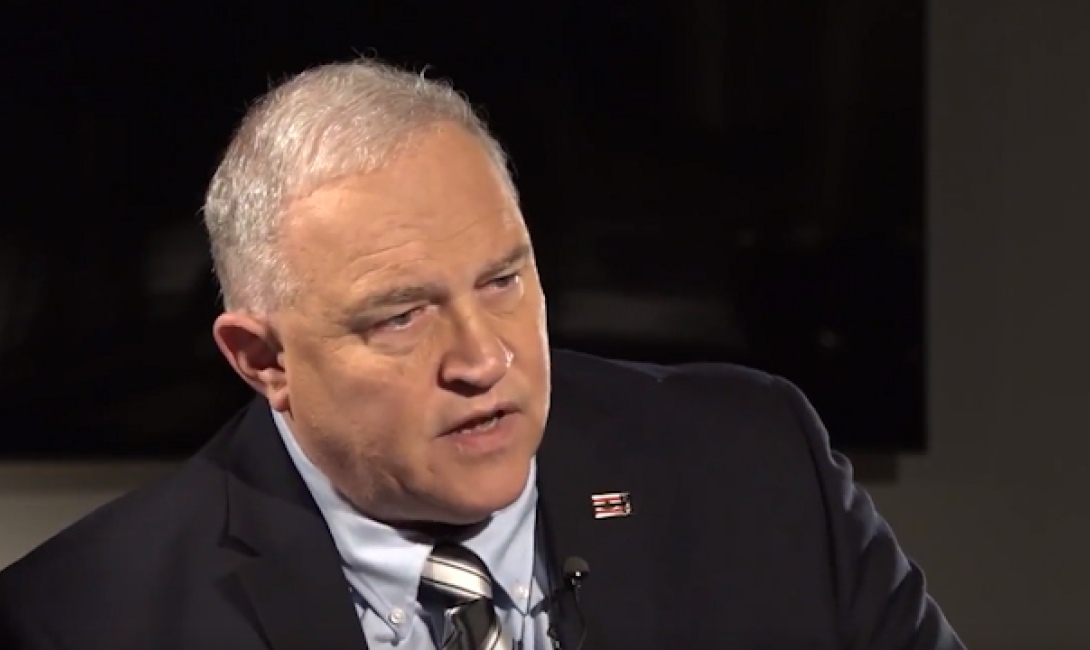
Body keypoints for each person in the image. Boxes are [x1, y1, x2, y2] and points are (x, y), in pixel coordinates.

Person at [0, 58, 964, 650]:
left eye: (503, 280)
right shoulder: (82, 620)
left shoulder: (756, 466)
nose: (482, 358)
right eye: (401, 317)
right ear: (263, 360)